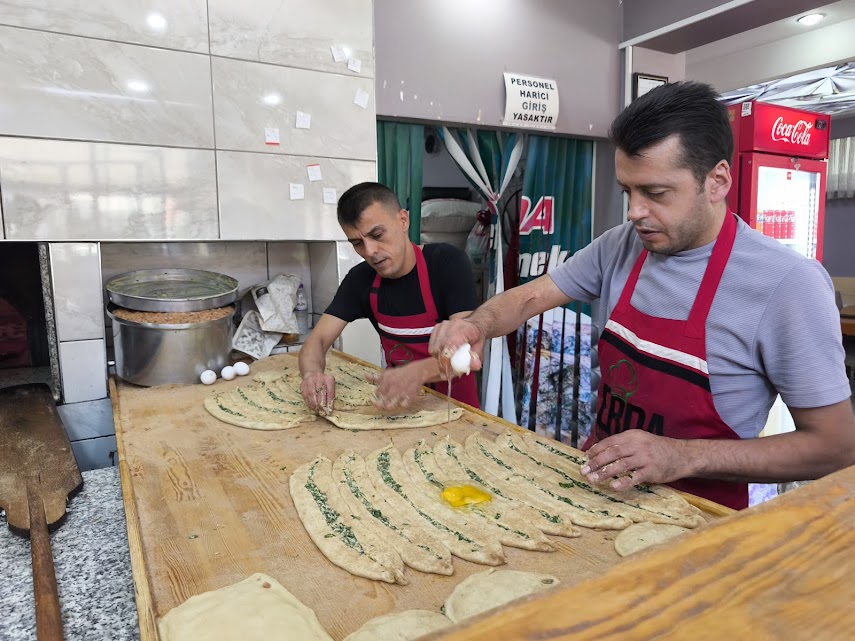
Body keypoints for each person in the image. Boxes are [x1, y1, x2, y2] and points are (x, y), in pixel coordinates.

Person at [429, 82, 855, 510]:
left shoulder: (788, 284)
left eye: (655, 193)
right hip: (599, 495)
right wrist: (477, 324)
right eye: (627, 191)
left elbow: (835, 447)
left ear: (717, 181)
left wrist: (682, 456)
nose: (634, 211)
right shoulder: (620, 246)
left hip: (700, 518)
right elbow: (529, 298)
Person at [299, 182, 480, 413]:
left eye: (377, 235)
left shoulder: (446, 264)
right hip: (398, 409)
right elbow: (317, 340)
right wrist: (312, 374)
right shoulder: (361, 279)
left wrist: (417, 373)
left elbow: (469, 351)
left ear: (403, 220)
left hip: (456, 413)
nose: (370, 251)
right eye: (357, 243)